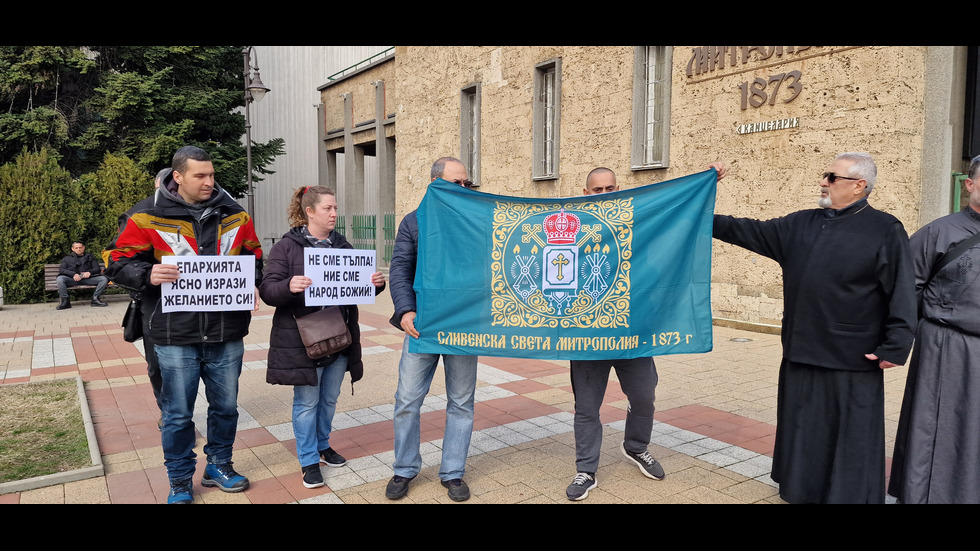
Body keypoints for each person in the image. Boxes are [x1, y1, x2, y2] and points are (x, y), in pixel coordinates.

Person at [712, 152, 917, 504]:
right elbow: (741, 229)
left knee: (849, 434)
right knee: (803, 428)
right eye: (825, 175)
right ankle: (800, 488)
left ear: (859, 186)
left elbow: (901, 289)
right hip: (801, 350)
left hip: (852, 354)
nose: (823, 181)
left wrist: (895, 345)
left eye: (831, 177)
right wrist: (700, 193)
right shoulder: (799, 224)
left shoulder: (885, 229)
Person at [104, 145, 263, 504]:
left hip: (226, 332)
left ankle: (219, 466)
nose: (209, 182)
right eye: (200, 176)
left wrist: (253, 280)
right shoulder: (146, 214)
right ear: (178, 177)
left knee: (226, 408)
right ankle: (179, 480)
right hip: (173, 335)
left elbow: (254, 256)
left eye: (211, 175)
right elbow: (114, 260)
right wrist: (147, 273)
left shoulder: (235, 214)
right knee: (177, 416)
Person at [565, 165, 726, 501]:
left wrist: (703, 181)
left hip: (632, 332)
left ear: (619, 189)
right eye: (598, 190)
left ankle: (636, 447)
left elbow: (673, 213)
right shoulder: (572, 228)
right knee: (586, 407)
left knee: (643, 397)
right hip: (587, 334)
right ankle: (586, 469)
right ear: (586, 194)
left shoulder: (637, 222)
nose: (605, 194)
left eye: (611, 188)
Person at [259, 185, 386, 489]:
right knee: (306, 402)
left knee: (329, 399)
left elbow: (358, 287)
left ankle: (323, 445)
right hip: (303, 340)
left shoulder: (342, 245)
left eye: (335, 208)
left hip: (339, 336)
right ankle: (307, 460)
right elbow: (268, 290)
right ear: (310, 212)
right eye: (328, 208)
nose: (333, 214)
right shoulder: (287, 247)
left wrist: (375, 283)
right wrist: (289, 285)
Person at [385, 157, 479, 502]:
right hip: (421, 327)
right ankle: (405, 468)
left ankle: (453, 472)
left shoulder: (475, 221)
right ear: (435, 183)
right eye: (456, 183)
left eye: (466, 183)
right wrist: (405, 310)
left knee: (461, 402)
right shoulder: (414, 222)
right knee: (407, 400)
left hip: (464, 326)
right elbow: (400, 268)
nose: (463, 189)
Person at [888, 154, 980, 504]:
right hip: (946, 345)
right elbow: (904, 289)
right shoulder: (940, 232)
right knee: (937, 427)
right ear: (969, 185)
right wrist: (895, 344)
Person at [116, 168, 171, 417]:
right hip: (155, 308)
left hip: (200, 310)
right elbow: (118, 264)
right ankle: (169, 414)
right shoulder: (139, 216)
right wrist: (147, 275)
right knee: (158, 367)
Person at [56, 242, 109, 309]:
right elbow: (62, 270)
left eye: (80, 247)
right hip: (73, 279)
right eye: (76, 248)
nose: (78, 249)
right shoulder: (67, 258)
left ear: (83, 248)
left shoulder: (90, 257)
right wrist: (73, 274)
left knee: (103, 279)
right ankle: (65, 301)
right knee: (60, 279)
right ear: (72, 249)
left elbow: (97, 268)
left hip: (88, 279)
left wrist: (89, 272)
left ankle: (95, 299)